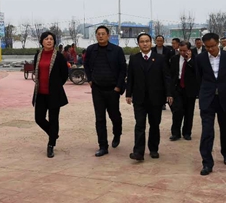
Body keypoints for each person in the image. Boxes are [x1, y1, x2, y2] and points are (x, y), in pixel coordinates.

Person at [125, 33, 173, 161]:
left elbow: (166, 77)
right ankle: (138, 152)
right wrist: (128, 94)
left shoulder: (160, 58)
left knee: (154, 125)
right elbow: (130, 78)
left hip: (156, 98)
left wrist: (169, 93)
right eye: (142, 41)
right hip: (139, 98)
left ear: (151, 43)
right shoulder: (134, 59)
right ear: (138, 44)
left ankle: (153, 149)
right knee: (139, 125)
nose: (145, 44)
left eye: (147, 41)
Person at [196, 32, 226, 176]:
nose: (211, 49)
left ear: (218, 43)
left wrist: (222, 87)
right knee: (207, 131)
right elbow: (198, 77)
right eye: (207, 47)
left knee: (225, 128)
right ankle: (207, 162)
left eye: (213, 46)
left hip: (225, 97)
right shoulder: (200, 58)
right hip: (208, 99)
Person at [84, 25, 127, 156]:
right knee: (100, 118)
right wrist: (90, 80)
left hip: (113, 89)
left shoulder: (117, 50)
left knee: (114, 116)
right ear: (96, 36)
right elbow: (86, 65)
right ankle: (103, 146)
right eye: (98, 34)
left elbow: (123, 69)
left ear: (108, 35)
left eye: (103, 34)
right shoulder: (91, 50)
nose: (101, 36)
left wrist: (118, 87)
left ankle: (117, 133)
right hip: (97, 89)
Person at [32, 31, 69, 158]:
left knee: (54, 119)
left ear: (54, 41)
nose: (49, 41)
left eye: (51, 39)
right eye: (46, 39)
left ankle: (51, 144)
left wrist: (56, 85)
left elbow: (64, 74)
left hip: (54, 94)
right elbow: (36, 71)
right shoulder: (38, 55)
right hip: (40, 93)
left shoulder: (59, 57)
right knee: (39, 118)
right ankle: (53, 133)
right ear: (42, 41)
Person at [169, 40, 199, 141]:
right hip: (177, 87)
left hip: (190, 88)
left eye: (184, 50)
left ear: (189, 50)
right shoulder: (174, 59)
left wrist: (189, 60)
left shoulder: (196, 59)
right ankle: (175, 133)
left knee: (189, 112)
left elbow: (197, 72)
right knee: (177, 110)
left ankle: (187, 132)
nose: (182, 52)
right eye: (180, 50)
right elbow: (171, 74)